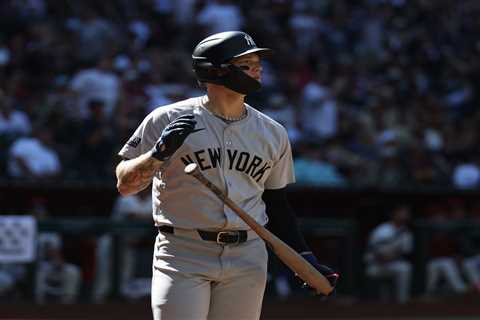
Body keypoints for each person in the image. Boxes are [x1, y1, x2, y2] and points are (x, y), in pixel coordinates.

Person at [115, 31, 339, 320]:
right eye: (247, 64)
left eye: (258, 62)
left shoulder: (272, 132)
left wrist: (304, 257)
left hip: (248, 254)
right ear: (215, 70)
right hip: (183, 250)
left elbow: (276, 202)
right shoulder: (166, 119)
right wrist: (157, 154)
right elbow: (125, 185)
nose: (258, 69)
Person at [364, 204, 413, 303]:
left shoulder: (406, 232)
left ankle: (402, 301)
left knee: (405, 268)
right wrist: (381, 257)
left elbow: (405, 252)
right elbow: (371, 248)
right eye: (402, 213)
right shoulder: (382, 229)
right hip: (376, 264)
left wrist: (392, 257)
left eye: (406, 213)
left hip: (393, 263)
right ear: (394, 214)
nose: (404, 215)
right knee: (371, 272)